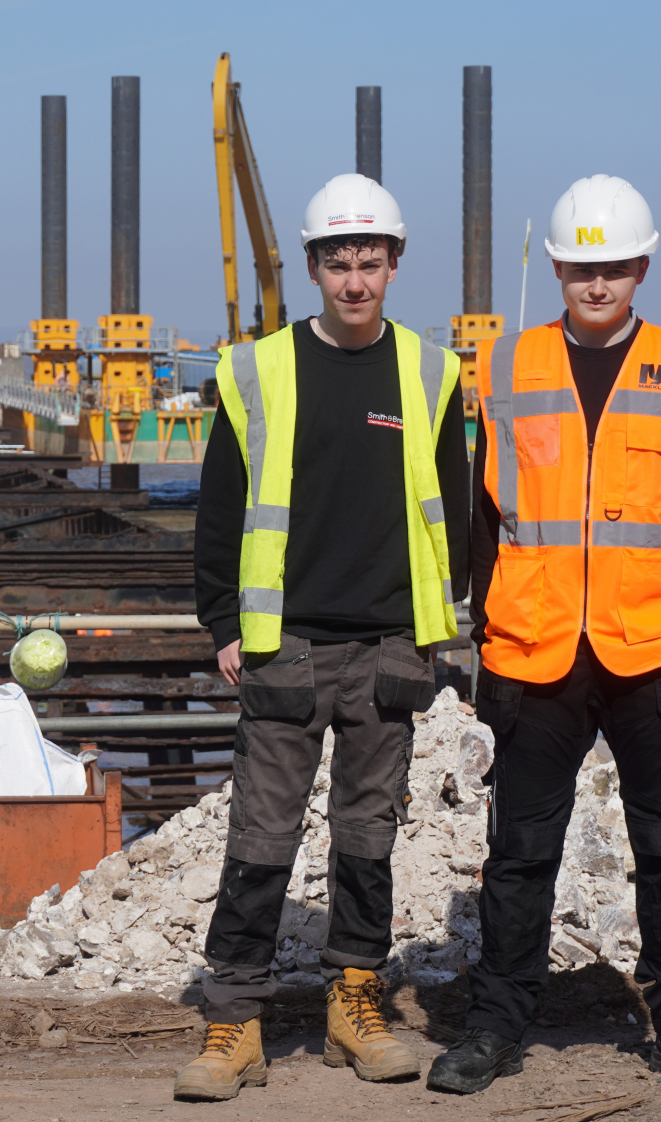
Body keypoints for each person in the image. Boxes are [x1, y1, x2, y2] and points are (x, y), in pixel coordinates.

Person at [428, 175, 661, 1094]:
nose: (596, 283)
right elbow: (483, 520)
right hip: (537, 649)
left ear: (642, 268)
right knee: (520, 854)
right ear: (560, 272)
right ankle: (496, 1026)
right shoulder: (505, 367)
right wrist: (484, 636)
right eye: (579, 269)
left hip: (657, 648)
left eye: (614, 268)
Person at [175, 174, 470, 1101]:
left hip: (391, 642)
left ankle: (354, 999)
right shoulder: (257, 369)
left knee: (367, 839)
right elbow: (221, 506)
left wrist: (445, 622)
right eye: (338, 262)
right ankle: (234, 1021)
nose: (354, 279)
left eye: (369, 261)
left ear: (394, 264)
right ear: (312, 268)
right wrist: (223, 620)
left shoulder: (431, 371)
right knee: (261, 838)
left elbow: (454, 506)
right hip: (285, 642)